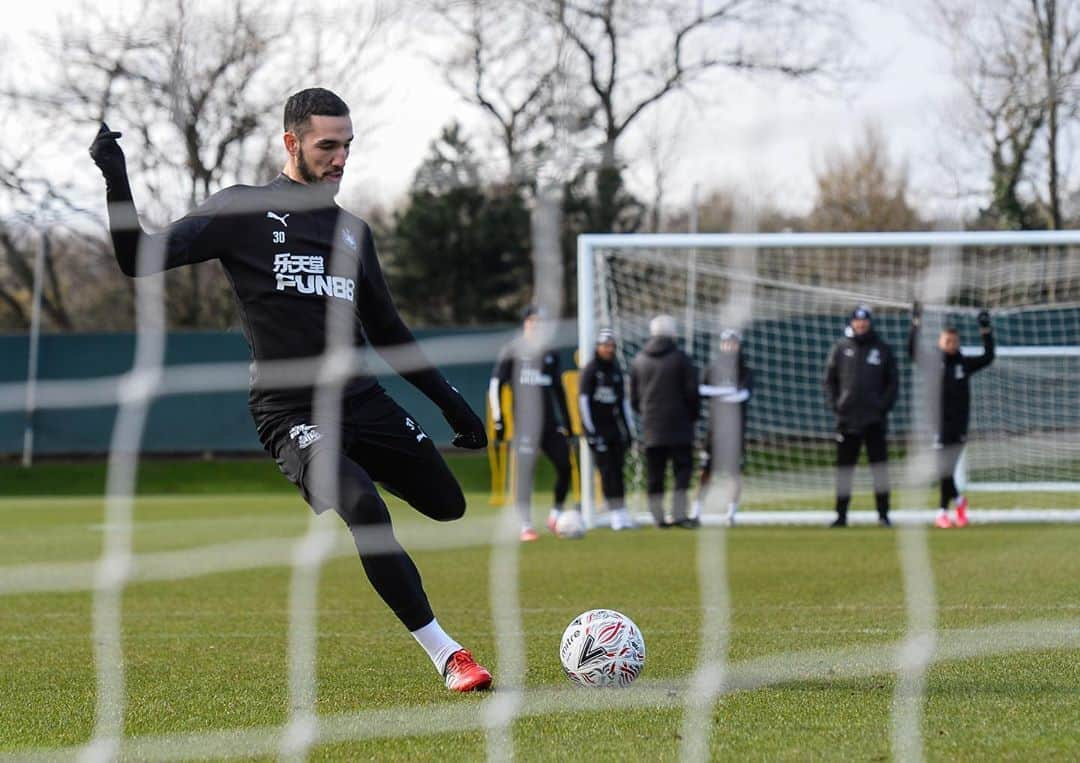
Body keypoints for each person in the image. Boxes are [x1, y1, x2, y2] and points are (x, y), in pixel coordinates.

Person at [89, 88, 493, 692]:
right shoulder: (241, 211)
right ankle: (448, 655)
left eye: (347, 146)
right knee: (365, 509)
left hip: (361, 402)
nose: (340, 158)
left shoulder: (353, 232)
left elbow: (388, 330)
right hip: (289, 411)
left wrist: (450, 402)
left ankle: (350, 463)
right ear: (291, 143)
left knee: (447, 504)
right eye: (327, 146)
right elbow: (138, 258)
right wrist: (116, 180)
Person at [489, 306, 573, 541]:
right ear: (525, 323)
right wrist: (499, 419)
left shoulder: (550, 352)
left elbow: (558, 388)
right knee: (525, 474)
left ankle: (555, 516)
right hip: (525, 425)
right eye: (533, 321)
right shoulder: (513, 350)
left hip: (549, 424)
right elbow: (496, 384)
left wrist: (567, 421)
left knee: (565, 467)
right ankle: (525, 524)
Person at [908, 303, 995, 528]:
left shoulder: (964, 364)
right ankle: (953, 505)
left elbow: (988, 356)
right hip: (937, 425)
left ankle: (946, 511)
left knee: (947, 470)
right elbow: (911, 351)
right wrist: (915, 323)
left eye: (954, 341)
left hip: (959, 426)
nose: (951, 345)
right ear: (940, 342)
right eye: (947, 341)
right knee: (942, 470)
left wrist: (986, 330)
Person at [823, 304, 898, 527]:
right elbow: (829, 381)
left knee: (879, 469)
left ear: (870, 323)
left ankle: (883, 515)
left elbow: (892, 383)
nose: (861, 324)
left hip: (875, 420)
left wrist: (881, 407)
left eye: (864, 320)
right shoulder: (841, 348)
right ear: (852, 322)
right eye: (857, 320)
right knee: (844, 470)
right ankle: (841, 515)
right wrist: (837, 406)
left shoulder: (882, 349)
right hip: (847, 420)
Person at [630, 315, 700, 528]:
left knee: (655, 473)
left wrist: (646, 414)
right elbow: (692, 393)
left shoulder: (639, 360)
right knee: (683, 470)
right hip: (680, 425)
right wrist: (692, 416)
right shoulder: (681, 359)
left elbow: (633, 398)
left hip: (652, 426)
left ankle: (658, 516)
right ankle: (679, 514)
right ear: (673, 334)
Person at [692, 329, 752, 527]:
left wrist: (718, 393)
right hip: (714, 430)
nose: (729, 346)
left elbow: (741, 395)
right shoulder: (712, 368)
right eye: (726, 343)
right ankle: (696, 511)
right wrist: (726, 392)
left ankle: (731, 513)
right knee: (705, 472)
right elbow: (701, 390)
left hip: (735, 431)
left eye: (733, 343)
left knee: (733, 474)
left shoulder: (744, 370)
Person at [578, 328, 635, 531]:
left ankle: (622, 510)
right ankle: (614, 514)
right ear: (598, 348)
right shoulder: (590, 370)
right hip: (598, 430)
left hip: (614, 429)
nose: (608, 349)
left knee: (618, 470)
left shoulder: (616, 371)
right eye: (605, 346)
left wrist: (629, 430)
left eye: (611, 346)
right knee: (607, 471)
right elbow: (583, 402)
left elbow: (623, 404)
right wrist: (590, 431)